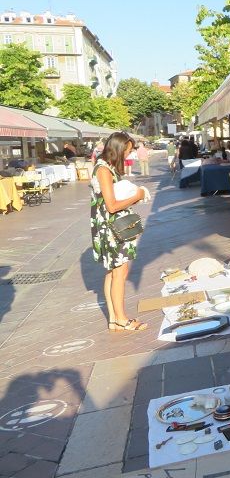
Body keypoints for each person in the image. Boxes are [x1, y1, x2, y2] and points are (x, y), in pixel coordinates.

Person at [90, 132, 147, 332]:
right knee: (120, 272)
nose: (128, 156)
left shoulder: (105, 167)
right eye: (127, 151)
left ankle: (114, 318)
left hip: (108, 227)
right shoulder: (104, 170)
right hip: (112, 228)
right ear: (117, 149)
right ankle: (122, 318)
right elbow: (112, 205)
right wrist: (137, 195)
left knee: (113, 272)